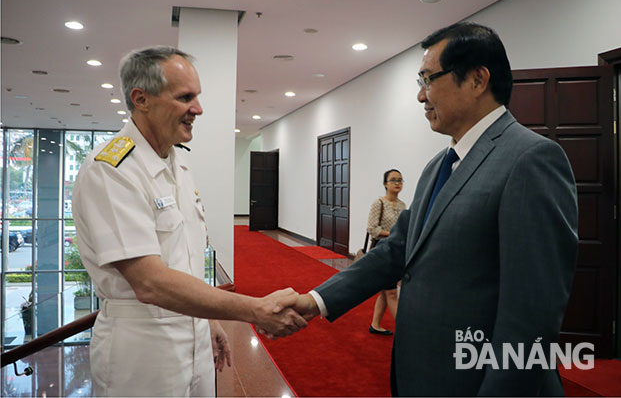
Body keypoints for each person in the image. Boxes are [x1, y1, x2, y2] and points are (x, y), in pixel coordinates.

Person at [287, 22, 578, 396]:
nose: (421, 96)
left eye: (428, 79)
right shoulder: (437, 165)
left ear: (477, 79)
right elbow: (396, 251)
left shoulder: (532, 160)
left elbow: (532, 317)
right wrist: (316, 301)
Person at [73, 46, 307, 397]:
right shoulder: (112, 169)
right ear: (141, 99)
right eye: (185, 97)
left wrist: (207, 320)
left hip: (193, 335)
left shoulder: (176, 164)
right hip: (143, 348)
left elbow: (186, 261)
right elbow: (149, 282)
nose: (198, 109)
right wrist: (254, 309)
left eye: (197, 97)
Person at [367, 169, 406, 336]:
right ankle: (406, 333)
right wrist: (393, 234)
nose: (397, 183)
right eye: (393, 180)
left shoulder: (403, 205)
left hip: (397, 251)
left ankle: (375, 325)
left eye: (400, 180)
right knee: (391, 292)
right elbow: (372, 229)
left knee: (385, 291)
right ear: (385, 184)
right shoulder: (379, 203)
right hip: (382, 251)